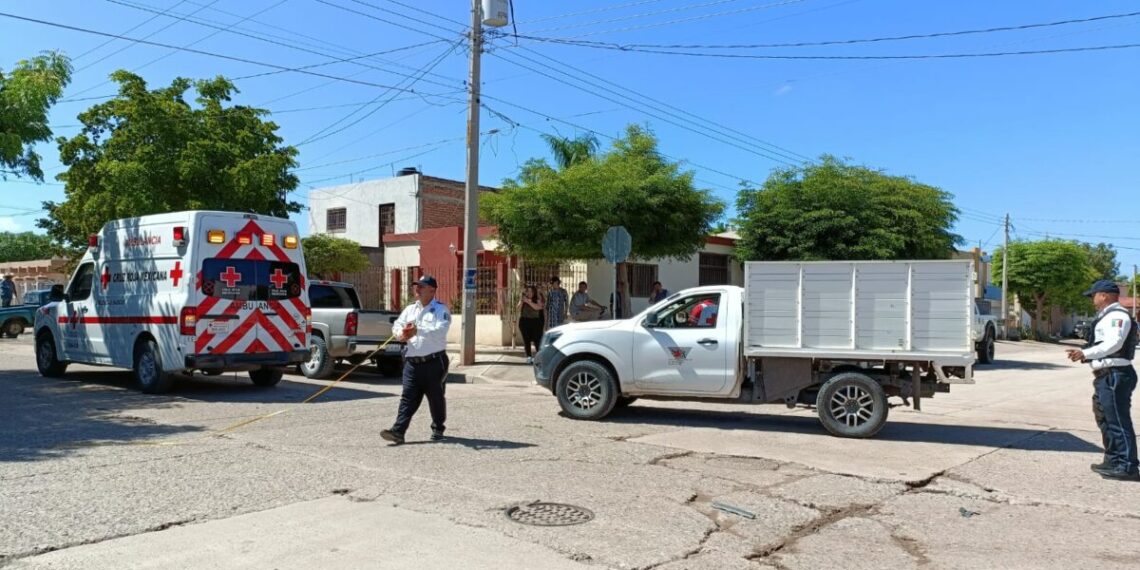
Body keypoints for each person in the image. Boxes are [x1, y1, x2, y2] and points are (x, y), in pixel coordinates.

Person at [1066, 280, 1138, 481]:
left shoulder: (1117, 316)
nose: (1092, 299)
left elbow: (1115, 343)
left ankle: (1128, 466)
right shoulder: (1107, 316)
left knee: (1118, 421)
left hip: (1115, 373)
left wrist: (1085, 352)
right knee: (1105, 419)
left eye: (1093, 295)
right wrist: (1086, 353)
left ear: (1104, 295)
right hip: (1106, 375)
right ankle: (1113, 460)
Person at [381, 275, 452, 445]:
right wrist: (401, 334)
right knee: (408, 397)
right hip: (412, 362)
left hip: (435, 361)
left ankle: (438, 428)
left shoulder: (441, 310)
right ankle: (398, 431)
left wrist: (417, 331)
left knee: (435, 396)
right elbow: (397, 325)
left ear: (432, 290)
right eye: (417, 286)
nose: (417, 289)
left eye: (421, 287)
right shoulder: (410, 309)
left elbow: (440, 332)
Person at [518, 285, 544, 363]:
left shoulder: (538, 299)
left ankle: (539, 357)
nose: (529, 293)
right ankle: (529, 357)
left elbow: (538, 307)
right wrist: (522, 301)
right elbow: (518, 308)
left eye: (531, 291)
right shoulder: (523, 299)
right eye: (528, 291)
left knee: (537, 340)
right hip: (524, 322)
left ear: (534, 292)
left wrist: (529, 302)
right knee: (526, 340)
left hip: (535, 322)